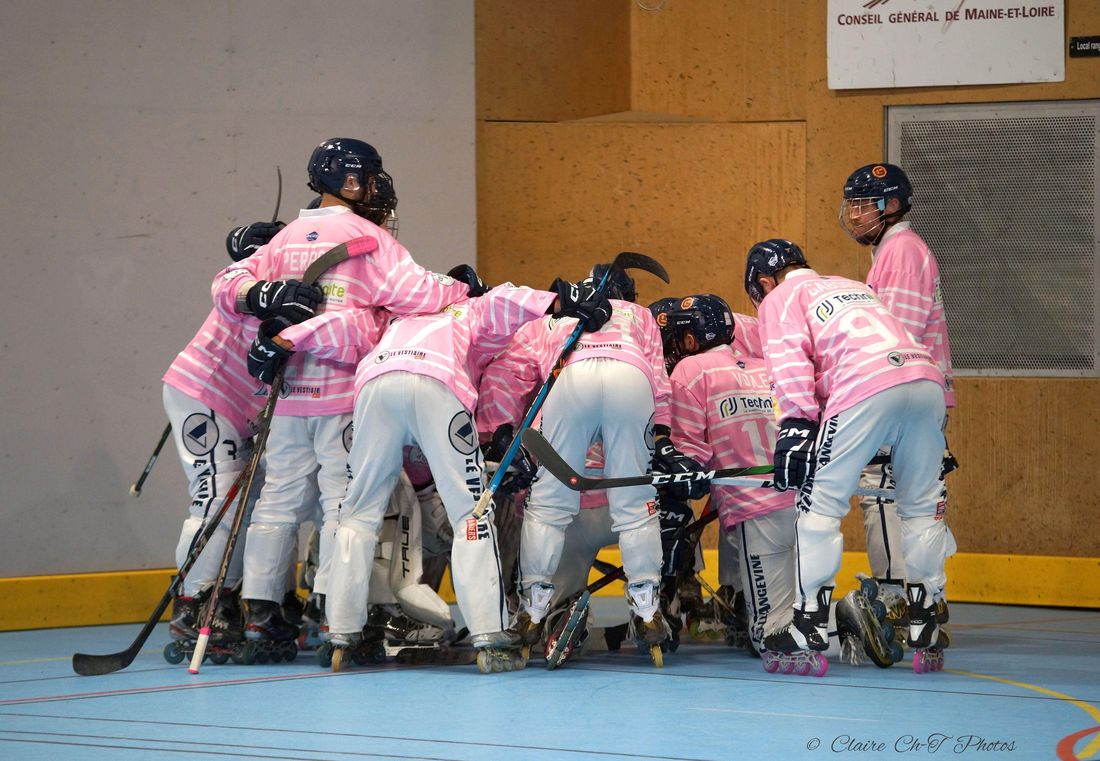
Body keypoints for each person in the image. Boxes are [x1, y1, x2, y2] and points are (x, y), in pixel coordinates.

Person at [268, 274, 608, 672]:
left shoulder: (393, 315)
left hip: (375, 384)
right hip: (437, 383)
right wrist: (563, 301)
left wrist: (280, 341)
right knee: (471, 513)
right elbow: (505, 301)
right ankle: (489, 634)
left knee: (356, 514)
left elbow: (341, 323)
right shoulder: (470, 308)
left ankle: (341, 632)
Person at [213, 137, 470, 657]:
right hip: (341, 398)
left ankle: (262, 616)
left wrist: (259, 296)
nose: (374, 188)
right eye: (369, 178)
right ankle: (335, 612)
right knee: (342, 506)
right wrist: (463, 288)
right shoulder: (367, 237)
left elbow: (227, 285)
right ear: (350, 180)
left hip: (286, 396)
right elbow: (419, 294)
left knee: (277, 502)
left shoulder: (286, 237)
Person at [745, 238, 950, 674]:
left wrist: (796, 424)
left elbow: (789, 362)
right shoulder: (852, 286)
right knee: (921, 508)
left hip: (865, 385)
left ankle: (807, 624)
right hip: (925, 379)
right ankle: (927, 619)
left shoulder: (781, 297)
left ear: (763, 282)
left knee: (819, 503)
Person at [664, 294, 897, 672]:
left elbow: (688, 453)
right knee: (796, 608)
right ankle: (842, 616)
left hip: (756, 511)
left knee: (767, 635)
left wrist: (677, 475)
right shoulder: (765, 367)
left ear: (691, 339)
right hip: (805, 500)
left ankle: (844, 618)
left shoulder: (690, 371)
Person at [493, 265, 706, 667]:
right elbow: (659, 382)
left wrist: (499, 431)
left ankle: (532, 612)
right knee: (636, 501)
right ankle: (647, 611)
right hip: (631, 375)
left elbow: (509, 373)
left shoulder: (554, 318)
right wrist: (661, 437)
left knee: (548, 503)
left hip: (571, 379)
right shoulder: (639, 316)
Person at [160, 219, 321, 658]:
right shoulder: (273, 260)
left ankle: (237, 599)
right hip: (206, 392)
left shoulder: (335, 285)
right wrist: (267, 292)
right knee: (217, 495)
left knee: (259, 502)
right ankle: (194, 603)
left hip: (251, 409)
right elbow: (227, 285)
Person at [840, 163, 958, 630]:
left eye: (862, 205)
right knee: (911, 498)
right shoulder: (894, 249)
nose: (853, 214)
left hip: (902, 396)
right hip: (917, 395)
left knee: (885, 494)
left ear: (890, 205)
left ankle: (898, 598)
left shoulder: (902, 251)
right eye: (851, 205)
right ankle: (924, 595)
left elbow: (897, 341)